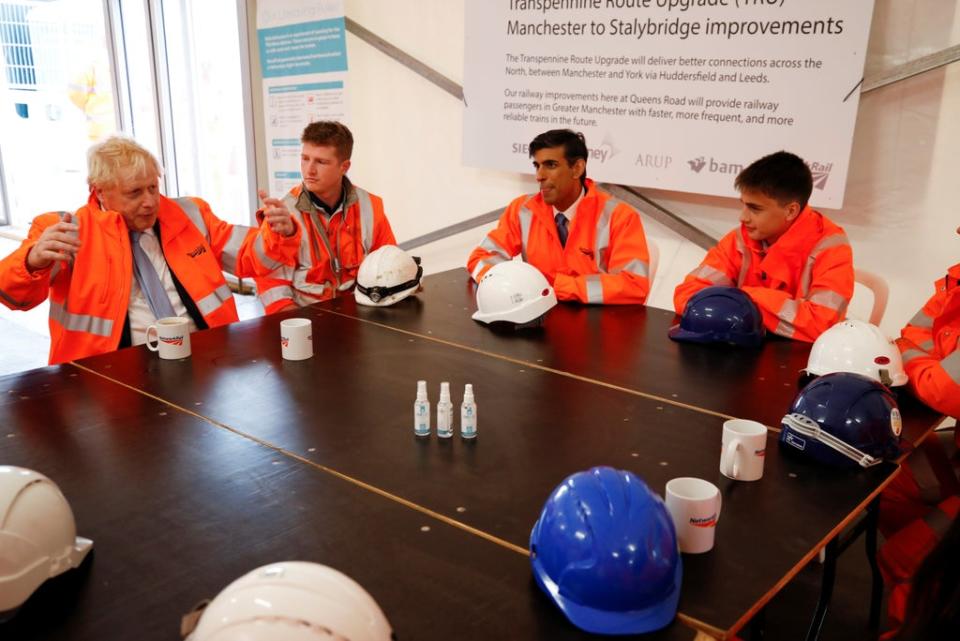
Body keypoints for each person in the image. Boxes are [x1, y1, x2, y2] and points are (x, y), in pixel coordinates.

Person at [0, 136, 300, 364]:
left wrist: (278, 233)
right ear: (100, 190)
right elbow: (14, 295)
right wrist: (31, 261)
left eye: (153, 188)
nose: (149, 201)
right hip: (109, 374)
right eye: (134, 192)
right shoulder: (66, 230)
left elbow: (253, 257)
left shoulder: (189, 214)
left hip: (207, 358)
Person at [673, 151, 853, 342]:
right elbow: (689, 296)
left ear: (791, 211)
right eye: (743, 205)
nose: (743, 217)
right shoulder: (740, 239)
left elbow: (821, 325)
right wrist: (752, 306)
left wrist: (744, 300)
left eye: (755, 208)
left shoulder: (832, 247)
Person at [466, 129, 651, 305]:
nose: (539, 176)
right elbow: (480, 258)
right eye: (537, 166)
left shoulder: (620, 216)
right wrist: (509, 284)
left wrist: (558, 287)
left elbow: (634, 286)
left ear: (577, 168)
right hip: (537, 320)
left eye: (551, 165)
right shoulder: (522, 210)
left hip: (596, 328)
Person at [253, 121, 397, 313]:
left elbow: (388, 266)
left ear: (344, 167)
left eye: (321, 162)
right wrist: (298, 326)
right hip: (303, 318)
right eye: (305, 159)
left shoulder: (370, 206)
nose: (309, 170)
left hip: (360, 315)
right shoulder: (282, 214)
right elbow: (271, 283)